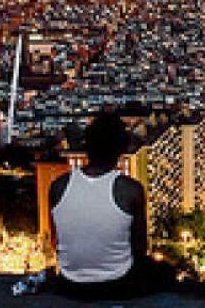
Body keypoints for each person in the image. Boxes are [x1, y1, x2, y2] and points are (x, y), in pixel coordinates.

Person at [48, 112, 169, 298]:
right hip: (118, 285)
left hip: (69, 284)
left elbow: (56, 240)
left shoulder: (58, 187)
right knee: (165, 271)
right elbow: (139, 248)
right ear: (121, 148)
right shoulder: (130, 190)